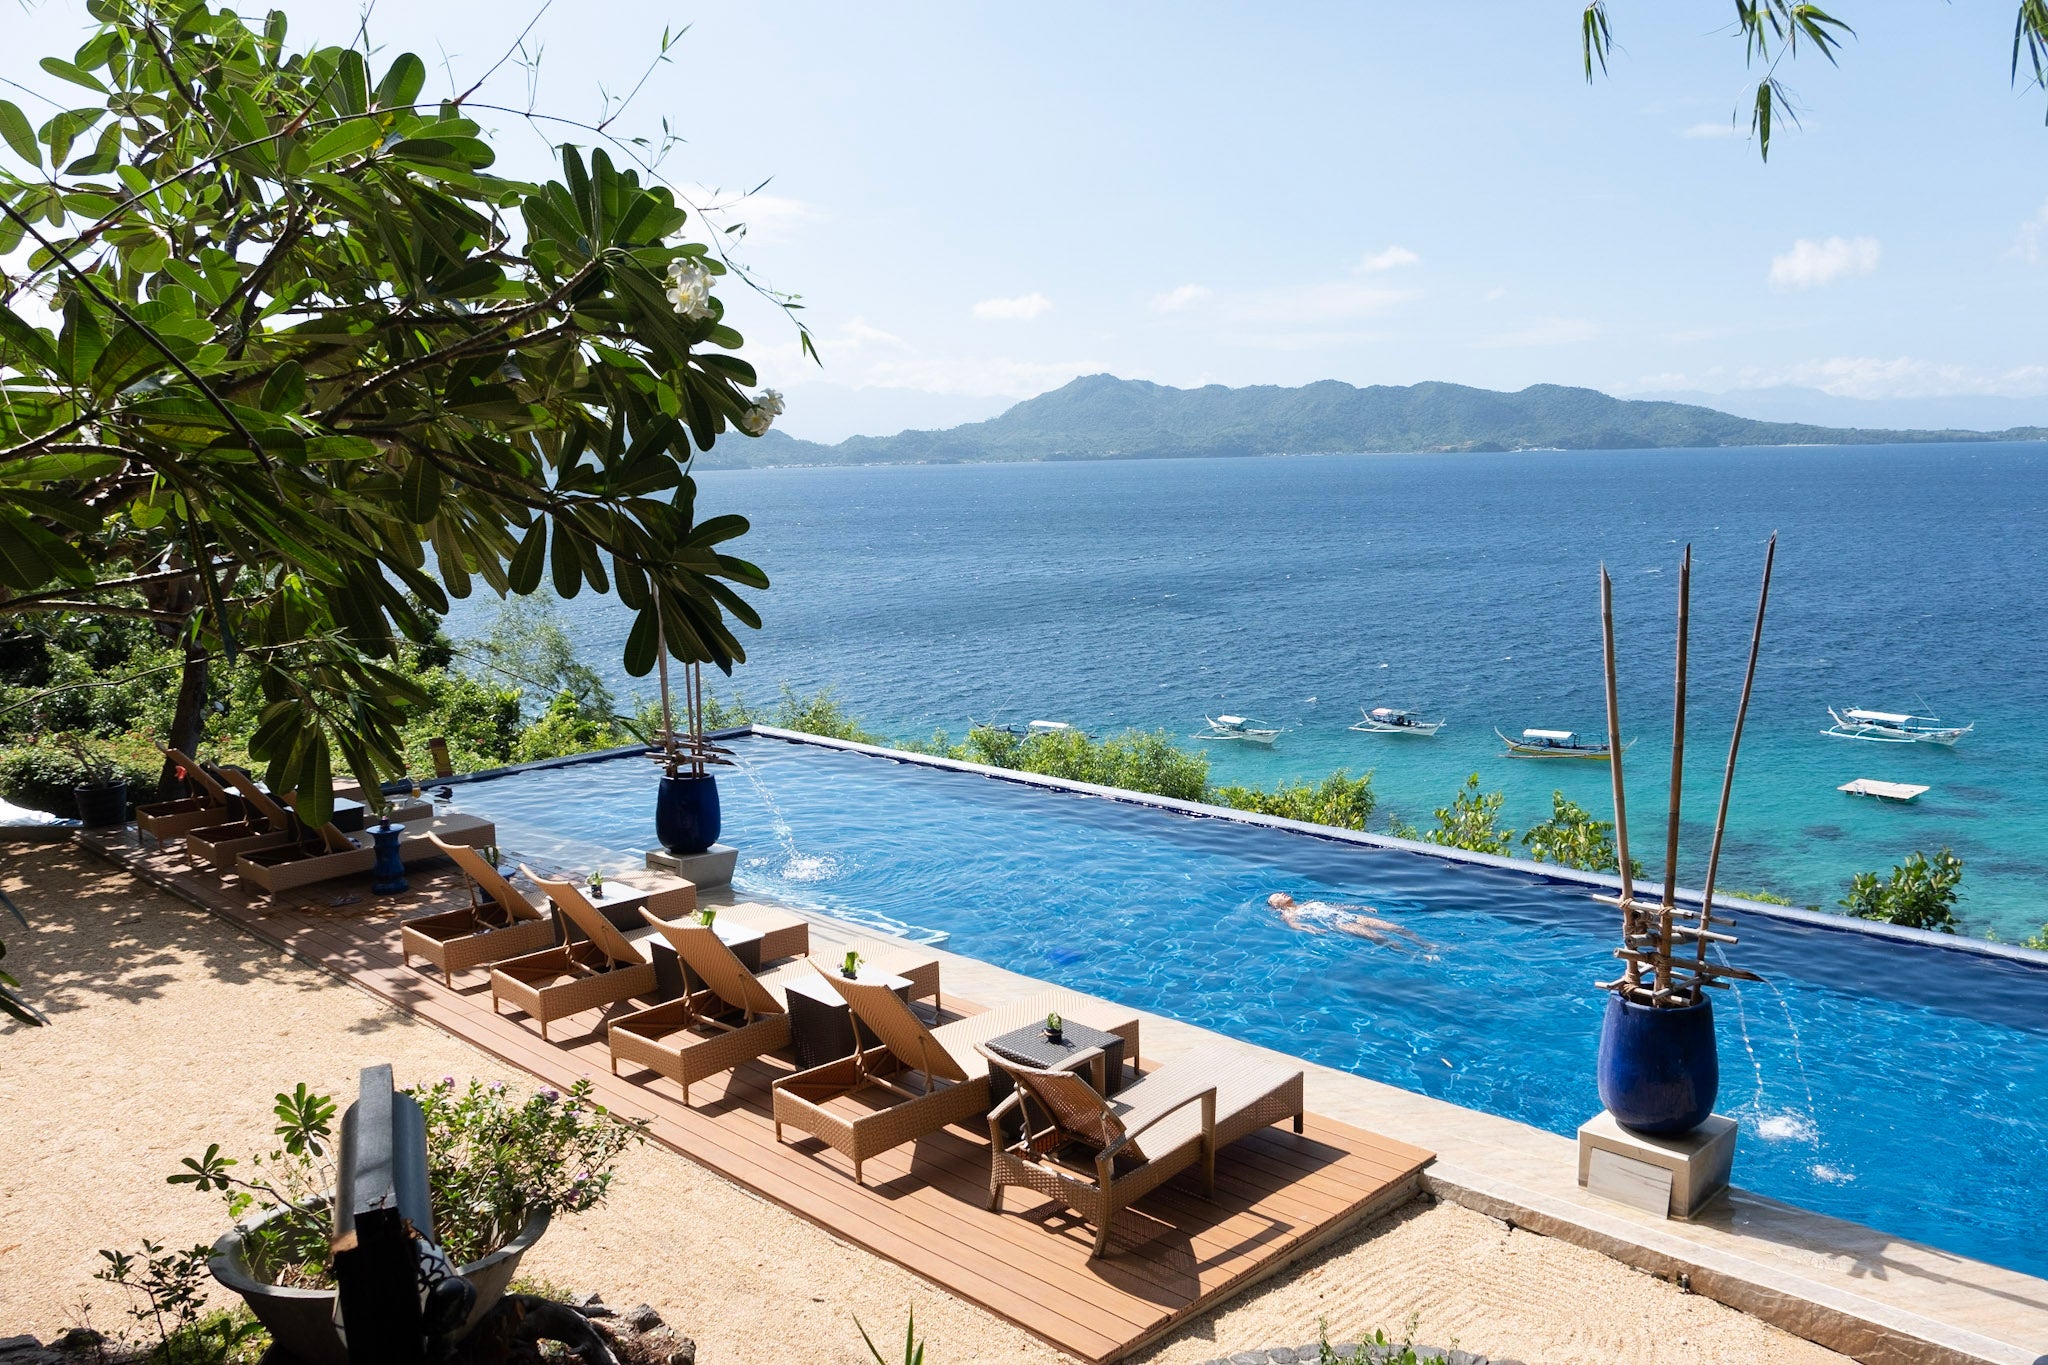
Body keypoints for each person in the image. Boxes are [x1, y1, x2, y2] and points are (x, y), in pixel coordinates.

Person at [1267, 892, 1434, 953]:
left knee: (1396, 928)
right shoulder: (1287, 914)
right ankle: (1414, 954)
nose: (1282, 894)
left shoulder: (1307, 903)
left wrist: (1361, 907)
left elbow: (1337, 906)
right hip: (1340, 923)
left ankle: (1428, 945)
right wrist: (1310, 929)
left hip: (1351, 917)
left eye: (1282, 892)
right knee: (1381, 938)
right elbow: (1294, 925)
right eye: (1278, 896)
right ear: (1276, 905)